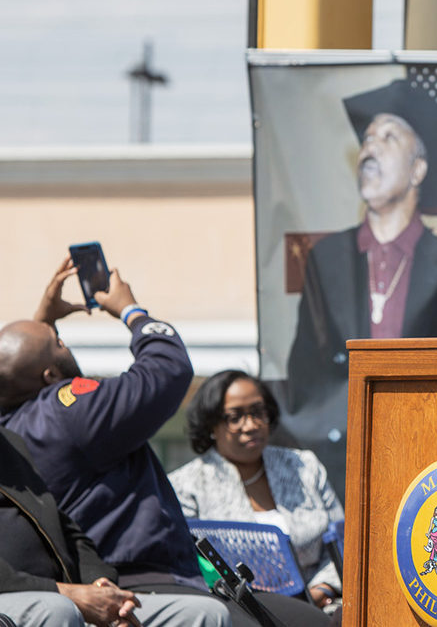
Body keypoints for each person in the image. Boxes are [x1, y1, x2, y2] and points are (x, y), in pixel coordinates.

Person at [0, 257, 329, 627]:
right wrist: (132, 311)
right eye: (58, 342)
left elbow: (16, 367)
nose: (64, 341)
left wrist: (41, 324)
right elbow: (165, 370)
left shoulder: (12, 429)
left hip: (109, 580)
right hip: (143, 579)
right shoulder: (69, 409)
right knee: (307, 623)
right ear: (50, 376)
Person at [286, 79, 437, 495]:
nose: (370, 149)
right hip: (337, 462)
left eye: (388, 138)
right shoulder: (326, 257)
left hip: (425, 459)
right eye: (367, 139)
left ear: (418, 170)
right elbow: (305, 366)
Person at [1, 425, 230, 627]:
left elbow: (66, 531)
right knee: (56, 610)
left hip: (64, 595)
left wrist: (102, 588)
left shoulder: (10, 443)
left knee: (204, 614)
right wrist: (68, 594)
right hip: (27, 598)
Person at [168, 370, 345, 609]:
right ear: (211, 424)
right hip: (237, 612)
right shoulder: (186, 485)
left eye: (257, 412)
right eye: (235, 417)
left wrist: (322, 589)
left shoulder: (304, 467)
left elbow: (342, 540)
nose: (250, 425)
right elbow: (188, 564)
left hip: (321, 606)